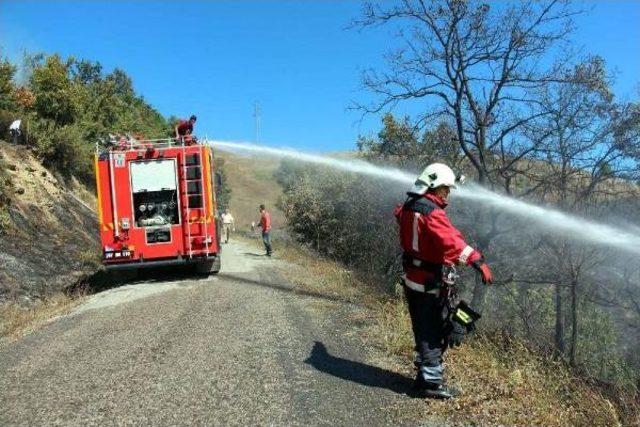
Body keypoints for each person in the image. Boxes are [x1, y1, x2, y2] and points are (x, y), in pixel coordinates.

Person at [394, 163, 493, 399]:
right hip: (429, 282)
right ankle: (431, 383)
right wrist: (476, 260)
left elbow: (425, 240)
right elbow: (451, 240)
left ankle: (424, 376)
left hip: (413, 278)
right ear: (433, 186)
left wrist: (446, 258)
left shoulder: (408, 207)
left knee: (423, 326)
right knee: (433, 331)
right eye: (445, 189)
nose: (447, 194)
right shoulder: (432, 212)